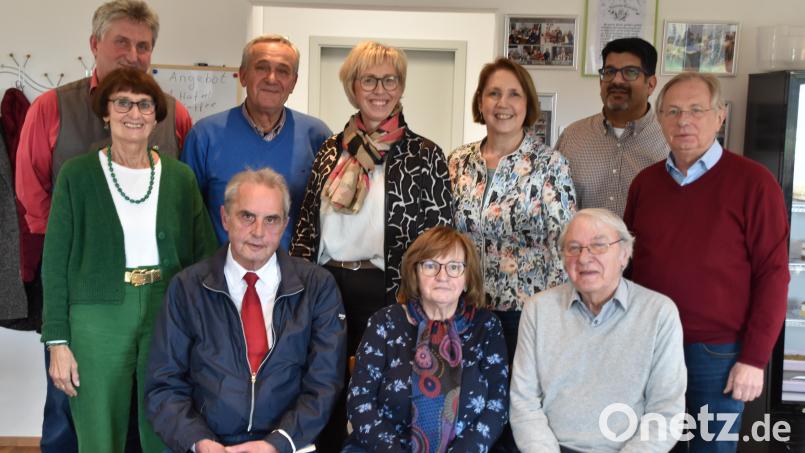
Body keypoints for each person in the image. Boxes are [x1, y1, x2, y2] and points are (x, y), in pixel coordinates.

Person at [14, 2, 193, 450]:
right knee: (72, 417)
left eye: (143, 46)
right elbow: (32, 195)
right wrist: (82, 249)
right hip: (83, 295)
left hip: (158, 302)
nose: (133, 54)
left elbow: (185, 225)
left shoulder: (177, 116)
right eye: (122, 42)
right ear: (95, 44)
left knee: (153, 420)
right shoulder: (51, 109)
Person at [40, 67, 217, 453]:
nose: (133, 113)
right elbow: (54, 262)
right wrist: (57, 341)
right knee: (98, 431)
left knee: (165, 422)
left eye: (144, 104)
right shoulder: (77, 174)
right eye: (122, 102)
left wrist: (205, 329)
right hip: (96, 317)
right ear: (105, 111)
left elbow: (204, 258)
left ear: (156, 115)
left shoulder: (180, 178)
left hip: (165, 309)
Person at [290, 41, 453, 452]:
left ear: (400, 87)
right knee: (322, 385)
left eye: (390, 80)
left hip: (391, 291)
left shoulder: (425, 154)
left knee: (384, 390)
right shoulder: (331, 150)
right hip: (327, 287)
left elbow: (440, 239)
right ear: (352, 87)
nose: (380, 89)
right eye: (369, 80)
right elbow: (308, 226)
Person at [624, 72, 790, 452]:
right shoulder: (645, 184)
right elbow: (628, 267)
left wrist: (754, 359)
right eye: (674, 111)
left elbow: (773, 276)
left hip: (718, 354)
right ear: (660, 119)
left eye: (697, 110)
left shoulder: (754, 183)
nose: (684, 121)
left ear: (720, 116)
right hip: (649, 347)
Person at [145, 168, 346, 453]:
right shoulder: (187, 288)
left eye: (271, 220)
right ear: (225, 218)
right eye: (247, 216)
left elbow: (324, 384)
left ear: (285, 224)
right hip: (206, 445)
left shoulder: (317, 287)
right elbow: (163, 385)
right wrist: (200, 442)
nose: (259, 232)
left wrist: (277, 444)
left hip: (288, 444)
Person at [449, 57, 575, 452]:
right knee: (470, 407)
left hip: (527, 312)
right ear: (481, 103)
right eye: (494, 93)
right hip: (464, 308)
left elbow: (567, 242)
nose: (503, 103)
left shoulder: (550, 164)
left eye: (514, 93)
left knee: (520, 412)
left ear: (528, 103)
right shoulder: (457, 162)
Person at [510, 208, 686, 452]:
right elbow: (524, 403)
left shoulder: (659, 313)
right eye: (574, 248)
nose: (583, 258)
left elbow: (666, 412)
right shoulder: (538, 310)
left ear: (624, 254)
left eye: (599, 245)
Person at [344, 226, 509, 452]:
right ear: (415, 273)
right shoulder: (384, 322)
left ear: (468, 278)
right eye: (430, 265)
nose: (442, 276)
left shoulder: (487, 327)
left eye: (454, 267)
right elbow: (360, 401)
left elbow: (497, 407)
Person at [181, 34, 331, 249]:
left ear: (293, 82)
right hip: (222, 276)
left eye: (283, 71)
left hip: (295, 277)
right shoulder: (204, 136)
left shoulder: (317, 137)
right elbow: (188, 217)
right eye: (261, 67)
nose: (272, 78)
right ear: (242, 75)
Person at [555, 37, 667, 217]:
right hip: (582, 245)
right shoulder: (573, 137)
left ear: (651, 84)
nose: (617, 80)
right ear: (601, 82)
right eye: (609, 71)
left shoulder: (669, 141)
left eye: (630, 72)